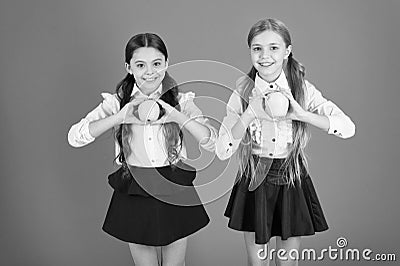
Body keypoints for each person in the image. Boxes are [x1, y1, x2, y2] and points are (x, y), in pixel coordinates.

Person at [68, 33, 216, 266]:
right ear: (129, 67)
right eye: (140, 65)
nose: (150, 72)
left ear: (166, 63)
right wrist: (119, 117)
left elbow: (212, 142)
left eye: (157, 64)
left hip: (173, 183)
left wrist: (177, 116)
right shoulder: (118, 102)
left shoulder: (181, 100)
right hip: (135, 186)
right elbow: (75, 137)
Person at [215, 18, 355, 266]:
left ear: (287, 51)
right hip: (255, 176)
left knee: (287, 263)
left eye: (274, 48)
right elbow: (222, 150)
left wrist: (301, 114)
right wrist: (249, 114)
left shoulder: (301, 88)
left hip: (291, 176)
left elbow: (347, 128)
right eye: (257, 48)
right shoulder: (243, 91)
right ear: (250, 51)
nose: (264, 55)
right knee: (257, 262)